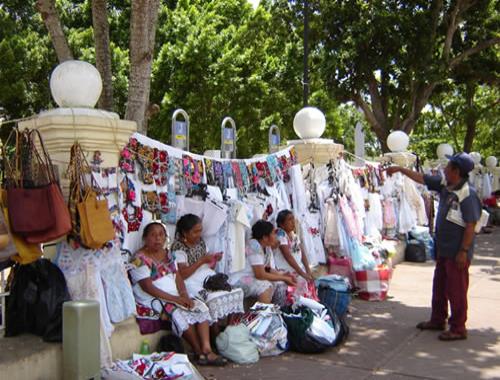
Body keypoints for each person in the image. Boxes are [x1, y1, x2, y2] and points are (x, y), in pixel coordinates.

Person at [386, 152, 481, 341]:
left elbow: (471, 225)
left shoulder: (467, 195)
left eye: (448, 166)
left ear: (456, 171)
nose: (444, 169)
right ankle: (438, 319)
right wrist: (400, 169)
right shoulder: (446, 185)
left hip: (457, 252)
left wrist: (463, 251)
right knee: (440, 286)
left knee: (457, 290)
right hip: (443, 249)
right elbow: (422, 178)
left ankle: (458, 327)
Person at [129, 222, 225, 366]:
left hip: (175, 295)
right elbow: (148, 287)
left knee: (199, 307)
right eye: (153, 235)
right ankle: (199, 352)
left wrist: (184, 295)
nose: (157, 239)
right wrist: (176, 299)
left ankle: (207, 349)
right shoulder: (139, 259)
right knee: (180, 314)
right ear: (145, 238)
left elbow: (178, 276)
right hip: (155, 298)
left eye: (161, 235)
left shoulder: (168, 254)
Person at [171, 214, 244, 326]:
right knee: (211, 299)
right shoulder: (178, 247)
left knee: (235, 292)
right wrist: (202, 260)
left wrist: (214, 259)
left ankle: (229, 328)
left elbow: (209, 266)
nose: (199, 234)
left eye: (200, 231)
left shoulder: (200, 242)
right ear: (185, 233)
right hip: (191, 280)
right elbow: (183, 274)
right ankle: (214, 333)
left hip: (207, 275)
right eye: (195, 232)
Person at [229, 220, 296, 306]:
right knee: (265, 286)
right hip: (240, 278)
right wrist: (284, 278)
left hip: (251, 277)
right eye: (273, 233)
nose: (275, 236)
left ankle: (278, 312)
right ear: (265, 237)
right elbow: (260, 274)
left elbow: (267, 269)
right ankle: (264, 315)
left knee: (278, 284)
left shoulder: (266, 247)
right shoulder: (254, 245)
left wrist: (284, 275)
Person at [274, 210, 317, 300]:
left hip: (296, 270)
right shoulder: (280, 234)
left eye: (293, 219)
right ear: (282, 224)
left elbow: (302, 253)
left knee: (307, 283)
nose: (293, 222)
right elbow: (288, 256)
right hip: (284, 271)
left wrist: (308, 270)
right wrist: (302, 273)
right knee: (300, 284)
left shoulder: (294, 235)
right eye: (289, 220)